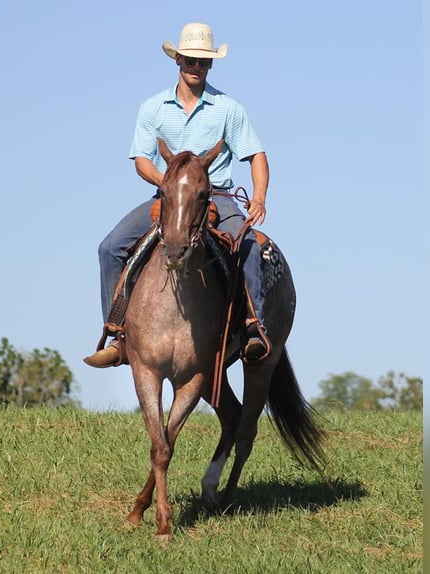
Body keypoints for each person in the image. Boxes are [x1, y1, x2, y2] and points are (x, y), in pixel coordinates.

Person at [84, 22, 271, 368]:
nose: (196, 67)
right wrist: (171, 186)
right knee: (110, 247)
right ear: (178, 60)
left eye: (203, 62)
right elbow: (141, 160)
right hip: (167, 198)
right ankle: (118, 335)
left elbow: (256, 155)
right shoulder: (153, 108)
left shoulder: (228, 109)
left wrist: (258, 196)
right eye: (190, 60)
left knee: (249, 245)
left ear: (211, 65)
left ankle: (253, 328)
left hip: (217, 196)